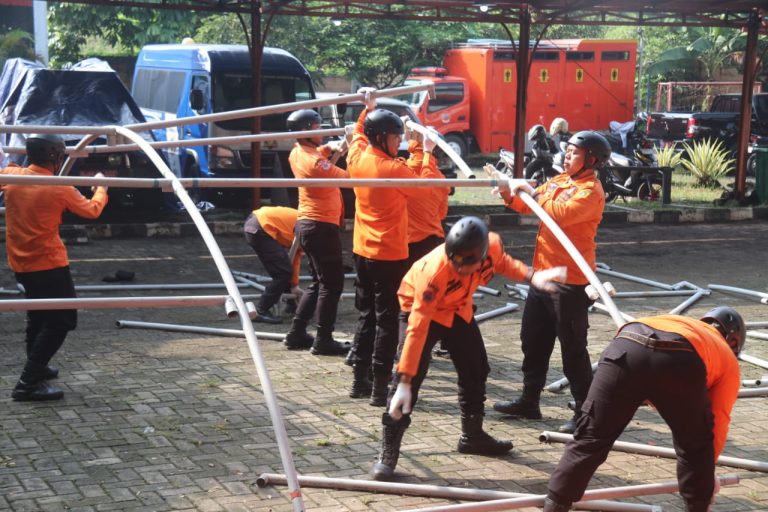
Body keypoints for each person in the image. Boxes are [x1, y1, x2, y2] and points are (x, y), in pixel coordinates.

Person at [370, 216, 567, 481]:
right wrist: (404, 380)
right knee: (410, 378)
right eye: (456, 262)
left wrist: (533, 276)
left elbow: (504, 263)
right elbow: (417, 327)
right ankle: (388, 452)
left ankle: (472, 436)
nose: (460, 269)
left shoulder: (492, 246)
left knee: (476, 367)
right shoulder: (434, 273)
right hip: (420, 309)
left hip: (457, 309)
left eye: (467, 264)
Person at [543, 307, 745, 512]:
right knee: (696, 447)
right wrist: (706, 473)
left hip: (625, 345)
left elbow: (647, 369)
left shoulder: (681, 323)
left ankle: (554, 506)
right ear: (734, 342)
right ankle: (698, 507)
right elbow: (716, 423)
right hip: (679, 359)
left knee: (589, 438)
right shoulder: (726, 358)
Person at [492, 131, 610, 433]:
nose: (567, 155)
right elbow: (526, 205)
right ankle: (529, 401)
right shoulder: (559, 181)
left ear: (592, 160)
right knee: (533, 341)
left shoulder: (591, 192)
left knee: (573, 351)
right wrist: (509, 190)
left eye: (574, 152)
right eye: (567, 150)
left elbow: (557, 214)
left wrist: (530, 193)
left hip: (571, 283)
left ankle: (586, 413)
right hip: (542, 276)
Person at [345, 87, 441, 406]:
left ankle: (359, 379)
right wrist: (422, 149)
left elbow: (358, 132)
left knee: (366, 315)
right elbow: (425, 188)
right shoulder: (391, 169)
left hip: (362, 251)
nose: (399, 142)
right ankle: (379, 388)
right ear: (382, 137)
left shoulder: (357, 157)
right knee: (387, 319)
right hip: (388, 255)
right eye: (395, 137)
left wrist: (367, 106)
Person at [2, 134, 108, 401]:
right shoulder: (58, 187)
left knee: (38, 316)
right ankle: (28, 382)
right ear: (56, 157)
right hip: (49, 264)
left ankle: (37, 367)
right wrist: (101, 187)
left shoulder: (13, 176)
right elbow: (92, 210)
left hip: (21, 262)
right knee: (62, 319)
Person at [282, 108, 351, 356]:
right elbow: (349, 177)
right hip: (320, 226)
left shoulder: (298, 152)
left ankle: (297, 333)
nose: (320, 131)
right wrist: (353, 151)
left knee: (319, 282)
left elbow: (321, 155)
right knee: (332, 284)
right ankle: (324, 339)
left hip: (310, 224)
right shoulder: (314, 163)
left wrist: (335, 148)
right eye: (316, 127)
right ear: (304, 131)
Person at [243, 206, 303, 325]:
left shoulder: (308, 225)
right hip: (261, 227)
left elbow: (294, 258)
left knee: (285, 268)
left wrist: (294, 286)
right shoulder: (310, 232)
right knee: (282, 273)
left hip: (256, 222)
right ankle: (261, 310)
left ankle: (291, 304)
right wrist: (294, 285)